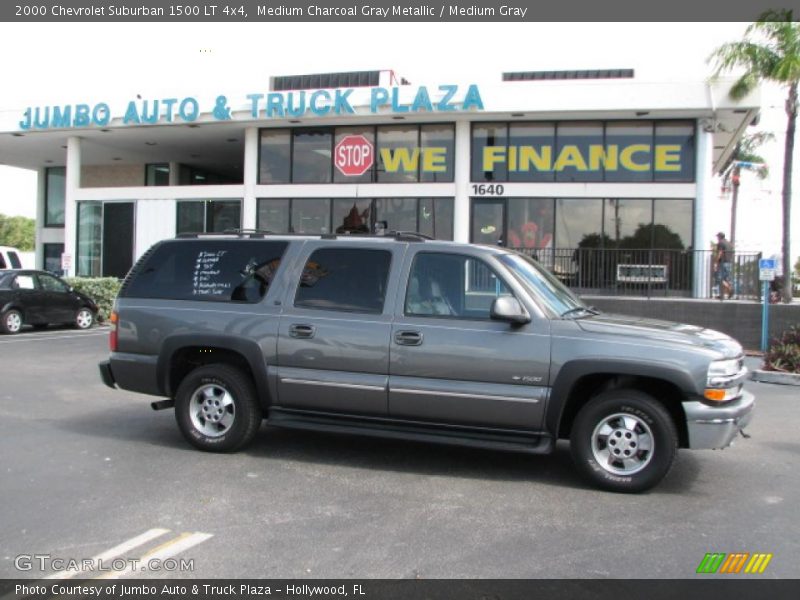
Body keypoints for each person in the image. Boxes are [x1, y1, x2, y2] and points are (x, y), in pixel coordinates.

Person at [714, 232, 734, 300]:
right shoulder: (729, 244)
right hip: (729, 263)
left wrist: (716, 263)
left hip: (722, 263)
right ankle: (724, 294)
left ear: (720, 237)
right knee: (725, 279)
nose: (717, 238)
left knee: (719, 279)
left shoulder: (721, 243)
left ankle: (729, 289)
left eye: (717, 237)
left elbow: (720, 253)